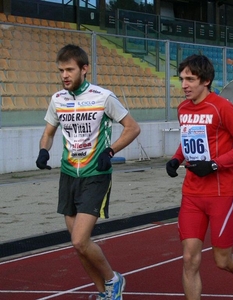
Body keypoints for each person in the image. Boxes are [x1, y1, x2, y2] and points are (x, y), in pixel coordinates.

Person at [35, 44, 141, 300]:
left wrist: (111, 151)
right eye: (61, 70)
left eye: (69, 69)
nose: (64, 75)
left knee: (80, 240)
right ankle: (104, 293)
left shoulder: (103, 96)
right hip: (69, 175)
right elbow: (48, 133)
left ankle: (114, 280)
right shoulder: (57, 99)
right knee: (79, 247)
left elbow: (132, 128)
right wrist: (43, 151)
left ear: (84, 69)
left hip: (96, 175)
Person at [165, 54, 233, 300]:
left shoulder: (222, 107)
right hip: (192, 194)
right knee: (189, 258)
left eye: (190, 79)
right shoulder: (183, 108)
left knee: (222, 260)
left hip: (221, 193)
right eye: (182, 79)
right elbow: (188, 139)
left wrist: (213, 165)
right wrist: (177, 158)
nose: (184, 85)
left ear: (206, 80)